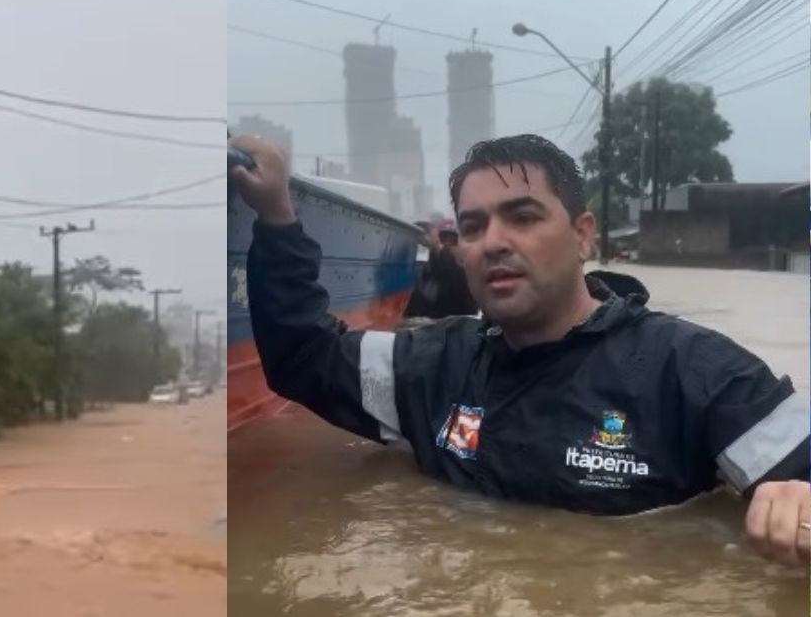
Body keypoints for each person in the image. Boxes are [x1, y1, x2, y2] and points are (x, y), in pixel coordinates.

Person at [228, 133, 811, 566]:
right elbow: (302, 357)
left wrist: (798, 497)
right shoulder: (430, 367)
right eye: (474, 227)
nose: (494, 243)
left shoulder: (693, 371)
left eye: (523, 217)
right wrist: (278, 217)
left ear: (583, 235)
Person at [404, 220, 479, 320]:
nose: (447, 243)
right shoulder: (425, 265)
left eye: (453, 239)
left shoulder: (467, 268)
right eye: (444, 238)